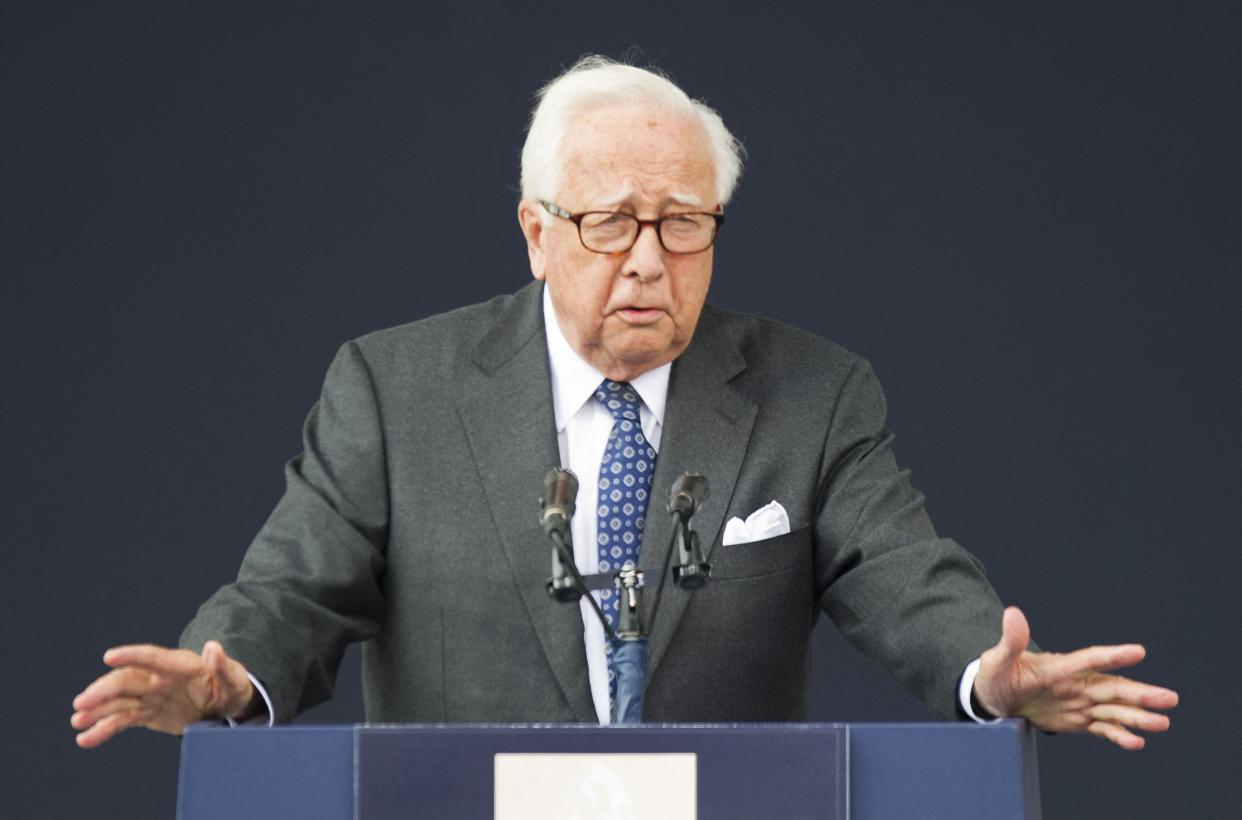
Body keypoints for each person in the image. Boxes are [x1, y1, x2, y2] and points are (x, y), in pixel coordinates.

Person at [72, 55, 1177, 751]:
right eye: (611, 222)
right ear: (535, 231)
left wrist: (991, 668)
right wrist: (223, 677)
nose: (648, 261)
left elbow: (903, 574)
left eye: (682, 222)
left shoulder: (813, 391)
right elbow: (293, 592)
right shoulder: (393, 387)